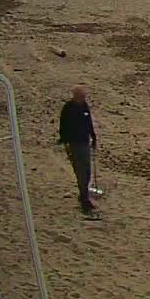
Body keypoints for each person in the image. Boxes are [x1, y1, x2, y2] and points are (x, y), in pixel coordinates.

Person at [57, 86, 98, 215]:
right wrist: (65, 140)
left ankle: (83, 195)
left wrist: (93, 137)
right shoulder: (68, 108)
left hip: (84, 142)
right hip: (74, 144)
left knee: (87, 172)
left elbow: (89, 122)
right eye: (81, 96)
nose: (83, 98)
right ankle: (84, 198)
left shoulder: (84, 106)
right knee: (80, 172)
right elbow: (62, 125)